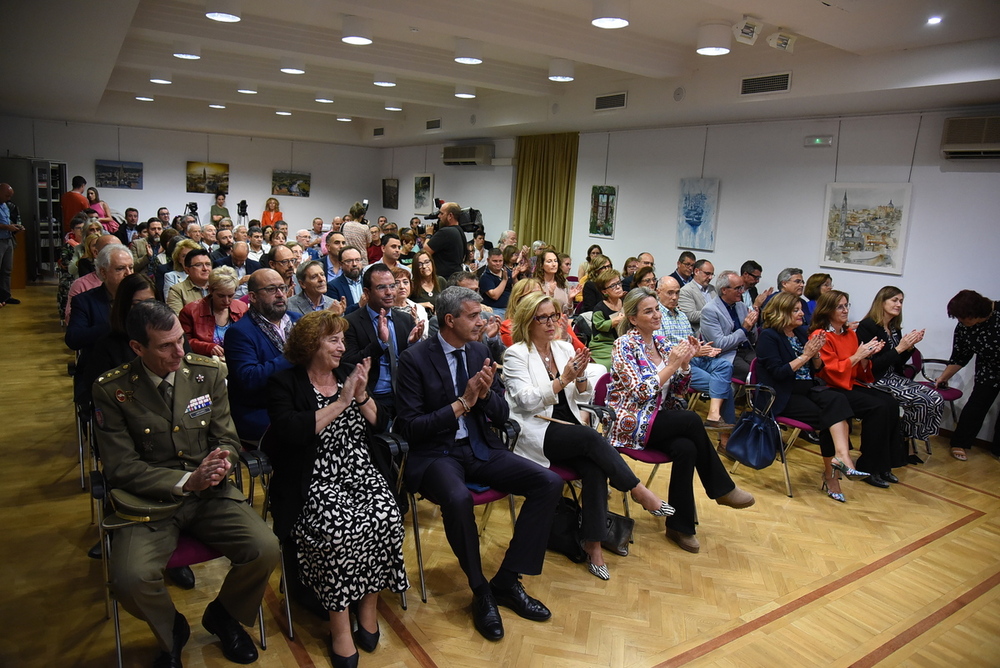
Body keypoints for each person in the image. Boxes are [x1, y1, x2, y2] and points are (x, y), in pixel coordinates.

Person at [92, 300, 279, 668]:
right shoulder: (113, 390)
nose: (180, 351)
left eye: (181, 339)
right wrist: (184, 481)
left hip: (210, 492)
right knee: (130, 580)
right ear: (137, 348)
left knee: (265, 548)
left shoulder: (206, 373)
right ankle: (171, 630)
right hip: (149, 502)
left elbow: (227, 437)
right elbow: (120, 467)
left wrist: (220, 463)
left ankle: (224, 615)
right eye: (166, 346)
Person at [395, 286, 563, 641]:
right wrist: (462, 402)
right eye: (473, 316)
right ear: (450, 320)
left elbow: (502, 414)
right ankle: (480, 589)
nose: (482, 321)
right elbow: (410, 428)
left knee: (548, 483)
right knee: (458, 500)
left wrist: (485, 395)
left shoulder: (477, 350)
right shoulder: (414, 359)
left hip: (479, 447)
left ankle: (507, 579)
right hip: (436, 454)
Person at [265, 311, 407, 667]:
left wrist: (360, 397)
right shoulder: (285, 383)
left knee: (386, 517)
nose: (342, 347)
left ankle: (369, 608)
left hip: (359, 466)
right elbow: (290, 431)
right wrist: (341, 402)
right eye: (334, 340)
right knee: (337, 532)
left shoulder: (347, 374)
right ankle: (340, 624)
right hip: (314, 476)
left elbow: (382, 422)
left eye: (343, 340)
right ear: (311, 344)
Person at [503, 292, 672, 579]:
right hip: (538, 430)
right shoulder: (516, 354)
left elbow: (583, 395)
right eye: (542, 317)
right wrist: (563, 379)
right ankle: (638, 490)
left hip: (569, 428)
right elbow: (526, 402)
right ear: (527, 321)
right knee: (592, 439)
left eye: (553, 316)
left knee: (594, 467)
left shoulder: (563, 348)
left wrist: (579, 377)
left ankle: (594, 546)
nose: (550, 323)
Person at [608, 287, 755, 554]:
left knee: (687, 448)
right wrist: (673, 365)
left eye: (656, 309)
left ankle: (680, 526)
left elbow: (679, 389)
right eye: (648, 311)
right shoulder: (624, 346)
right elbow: (641, 392)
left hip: (660, 419)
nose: (656, 315)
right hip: (632, 423)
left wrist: (685, 364)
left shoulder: (662, 342)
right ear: (632, 318)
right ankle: (721, 488)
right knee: (690, 420)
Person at [757, 292, 870, 503]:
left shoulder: (800, 333)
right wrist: (806, 355)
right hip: (782, 394)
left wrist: (815, 354)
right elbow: (779, 373)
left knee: (838, 400)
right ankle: (833, 473)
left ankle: (841, 458)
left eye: (801, 309)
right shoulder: (769, 336)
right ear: (782, 313)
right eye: (796, 310)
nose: (803, 313)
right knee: (830, 418)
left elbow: (817, 369)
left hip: (807, 389)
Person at [810, 290, 902, 488]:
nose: (845, 310)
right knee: (877, 407)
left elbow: (859, 371)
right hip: (832, 388)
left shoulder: (850, 334)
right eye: (840, 306)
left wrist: (867, 356)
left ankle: (883, 464)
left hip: (850, 383)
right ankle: (868, 466)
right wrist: (858, 356)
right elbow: (831, 371)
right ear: (828, 310)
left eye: (847, 305)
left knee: (891, 403)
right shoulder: (821, 335)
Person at [857, 286, 944, 459]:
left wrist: (908, 348)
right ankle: (902, 445)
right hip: (876, 378)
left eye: (901, 301)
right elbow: (873, 365)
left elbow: (897, 362)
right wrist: (899, 348)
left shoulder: (894, 327)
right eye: (894, 300)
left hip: (894, 376)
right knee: (920, 400)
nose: (898, 304)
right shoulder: (867, 326)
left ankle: (904, 439)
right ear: (881, 302)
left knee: (935, 398)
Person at [224, 269, 302, 441]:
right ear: (252, 296)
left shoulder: (298, 320)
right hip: (264, 413)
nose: (280, 294)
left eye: (282, 287)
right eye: (271, 289)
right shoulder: (239, 332)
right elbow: (249, 378)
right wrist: (292, 356)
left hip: (302, 404)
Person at [654, 276, 735, 430]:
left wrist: (702, 348)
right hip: (677, 364)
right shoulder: (657, 315)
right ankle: (724, 437)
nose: (675, 297)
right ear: (658, 292)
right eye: (670, 293)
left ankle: (714, 415)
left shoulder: (682, 315)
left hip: (693, 358)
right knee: (726, 388)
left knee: (724, 364)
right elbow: (663, 350)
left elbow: (691, 339)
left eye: (677, 293)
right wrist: (694, 352)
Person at [343, 264, 421, 415]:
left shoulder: (405, 319)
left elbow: (414, 362)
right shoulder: (351, 322)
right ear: (367, 292)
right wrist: (380, 344)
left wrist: (414, 344)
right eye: (381, 288)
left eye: (392, 286)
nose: (389, 292)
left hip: (406, 392)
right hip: (373, 395)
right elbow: (349, 363)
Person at [933, 290, 1000, 460]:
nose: (960, 322)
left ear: (975, 314)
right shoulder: (964, 326)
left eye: (963, 318)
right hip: (988, 369)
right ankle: (960, 443)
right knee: (977, 405)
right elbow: (960, 356)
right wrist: (944, 377)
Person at [700, 270, 758, 388]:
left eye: (742, 287)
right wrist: (744, 329)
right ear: (724, 290)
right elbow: (719, 345)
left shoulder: (741, 306)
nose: (741, 291)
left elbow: (753, 339)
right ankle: (752, 402)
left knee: (767, 366)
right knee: (751, 372)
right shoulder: (710, 310)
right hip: (726, 354)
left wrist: (752, 326)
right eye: (737, 288)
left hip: (746, 350)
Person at [179, 266, 248, 358]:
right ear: (210, 290)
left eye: (231, 295)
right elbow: (183, 342)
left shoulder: (242, 308)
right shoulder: (190, 311)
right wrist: (207, 347)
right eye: (221, 296)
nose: (227, 301)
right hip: (206, 363)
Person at [589, 268, 625, 370]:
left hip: (622, 341)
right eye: (613, 286)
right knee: (615, 364)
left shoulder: (625, 302)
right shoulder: (599, 308)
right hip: (603, 345)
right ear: (605, 291)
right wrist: (614, 321)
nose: (618, 287)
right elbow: (599, 325)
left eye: (619, 283)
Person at [425, 201, 467, 279]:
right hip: (455, 276)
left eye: (441, 213)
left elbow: (425, 251)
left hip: (444, 279)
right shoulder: (459, 231)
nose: (439, 216)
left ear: (450, 216)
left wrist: (429, 235)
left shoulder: (446, 232)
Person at [166, 248, 212, 314]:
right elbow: (177, 320)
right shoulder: (177, 291)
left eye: (208, 264)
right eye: (198, 265)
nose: (205, 268)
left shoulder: (219, 286)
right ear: (187, 270)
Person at [0, 183, 24, 306]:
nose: (9, 198)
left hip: (8, 239)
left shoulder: (5, 205)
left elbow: (6, 220)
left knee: (7, 270)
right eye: (7, 195)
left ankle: (5, 296)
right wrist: (6, 227)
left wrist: (14, 226)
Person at [677, 259, 716, 334]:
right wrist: (715, 313)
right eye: (707, 274)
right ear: (696, 271)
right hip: (699, 333)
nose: (710, 277)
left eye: (712, 274)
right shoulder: (686, 290)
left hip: (716, 331)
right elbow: (690, 315)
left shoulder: (713, 289)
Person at [479, 248, 520, 318]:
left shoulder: (506, 271)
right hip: (494, 310)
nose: (498, 263)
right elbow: (495, 296)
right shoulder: (485, 276)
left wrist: (514, 278)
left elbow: (519, 290)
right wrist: (504, 280)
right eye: (495, 261)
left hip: (510, 308)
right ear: (488, 260)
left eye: (500, 261)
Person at [390, 267, 429, 340]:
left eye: (405, 282)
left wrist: (417, 325)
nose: (402, 287)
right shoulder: (385, 310)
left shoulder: (419, 308)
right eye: (396, 283)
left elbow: (425, 337)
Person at [328, 246, 365, 314]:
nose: (354, 264)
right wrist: (358, 305)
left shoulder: (369, 281)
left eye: (357, 260)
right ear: (340, 264)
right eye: (349, 261)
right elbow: (335, 315)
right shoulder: (333, 286)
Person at [411, 249, 447, 314]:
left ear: (432, 263)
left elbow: (448, 302)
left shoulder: (441, 281)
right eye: (419, 264)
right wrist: (420, 305)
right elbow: (402, 306)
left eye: (427, 262)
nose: (424, 266)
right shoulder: (412, 285)